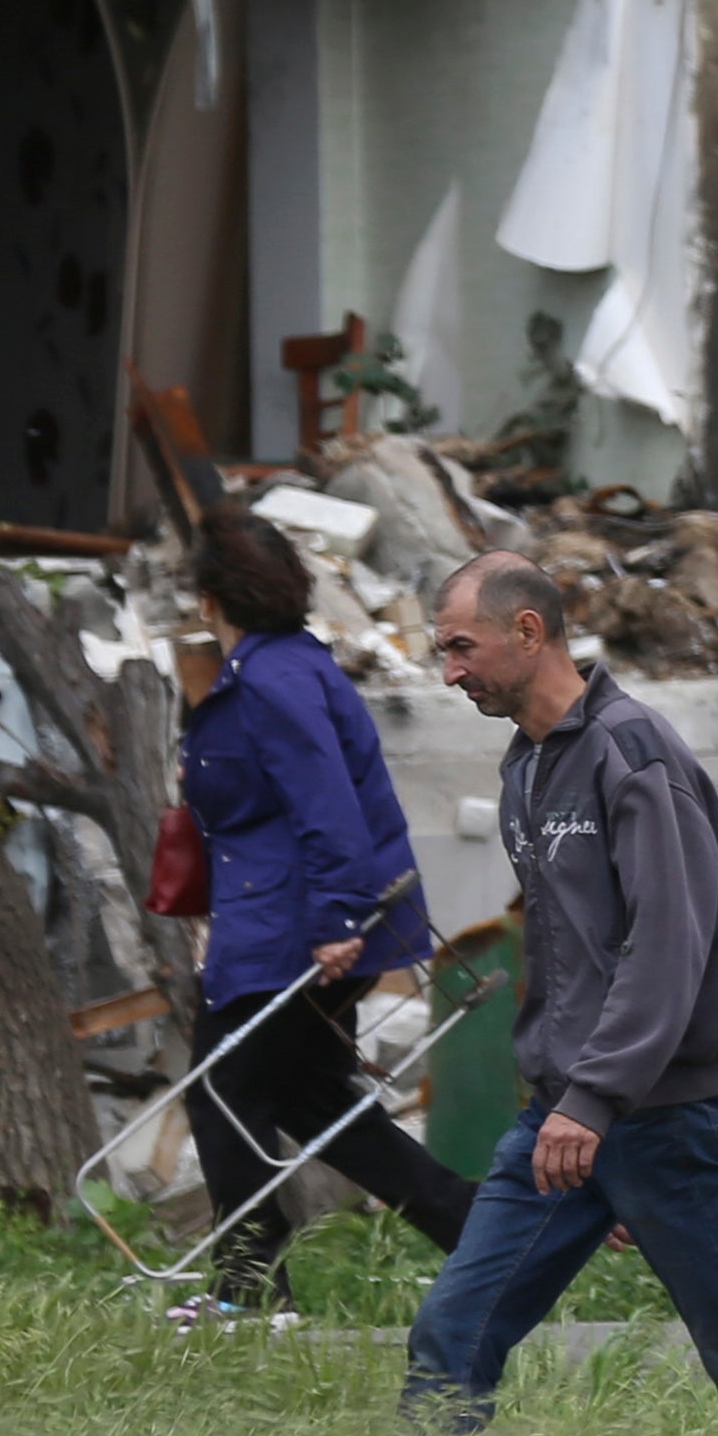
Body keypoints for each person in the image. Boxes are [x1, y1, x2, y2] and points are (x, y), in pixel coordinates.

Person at [402, 550, 718, 1436]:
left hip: (657, 1116)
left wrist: (598, 1103)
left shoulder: (634, 754)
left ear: (528, 630)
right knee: (452, 1334)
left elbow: (669, 944)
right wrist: (572, 1114)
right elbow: (569, 954)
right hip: (561, 1124)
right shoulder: (526, 767)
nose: (448, 672)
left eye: (460, 646)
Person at [171, 510, 473, 1305]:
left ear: (210, 599)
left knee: (222, 1090)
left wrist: (338, 919)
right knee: (304, 1093)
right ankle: (474, 1226)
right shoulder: (287, 667)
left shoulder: (273, 682)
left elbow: (327, 803)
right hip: (289, 920)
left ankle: (250, 1285)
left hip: (296, 930)